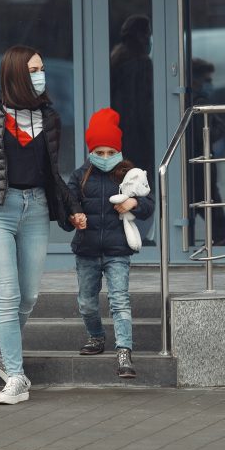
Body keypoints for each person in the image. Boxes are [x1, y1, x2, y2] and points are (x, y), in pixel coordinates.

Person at [0, 45, 85, 405]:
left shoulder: (50, 118)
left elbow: (52, 172)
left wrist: (71, 208)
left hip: (36, 208)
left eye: (41, 69)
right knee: (7, 295)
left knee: (28, 295)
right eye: (35, 69)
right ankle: (15, 375)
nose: (41, 75)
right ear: (17, 75)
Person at [66, 108, 155, 379]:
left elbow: (149, 205)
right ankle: (96, 336)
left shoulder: (130, 175)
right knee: (87, 303)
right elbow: (67, 208)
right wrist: (74, 218)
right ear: (91, 150)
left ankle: (124, 350)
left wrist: (134, 202)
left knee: (120, 301)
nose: (105, 158)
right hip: (87, 250)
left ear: (118, 150)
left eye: (110, 152)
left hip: (118, 251)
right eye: (99, 152)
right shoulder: (79, 177)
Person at [188, 57, 225, 246]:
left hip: (193, 170)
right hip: (200, 170)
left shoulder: (189, 101)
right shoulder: (199, 103)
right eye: (207, 80)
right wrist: (222, 126)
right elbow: (203, 135)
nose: (211, 84)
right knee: (219, 226)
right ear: (195, 80)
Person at [109, 14, 155, 178]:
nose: (149, 39)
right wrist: (151, 137)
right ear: (139, 36)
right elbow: (143, 105)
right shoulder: (141, 63)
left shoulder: (116, 58)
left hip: (120, 133)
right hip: (137, 136)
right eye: (147, 34)